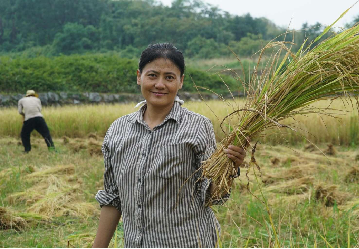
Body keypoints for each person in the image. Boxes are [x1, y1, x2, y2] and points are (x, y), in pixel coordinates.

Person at [93, 43, 246, 248]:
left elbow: (211, 195)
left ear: (180, 81)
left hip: (188, 242)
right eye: (152, 75)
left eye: (169, 77)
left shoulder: (197, 127)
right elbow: (113, 198)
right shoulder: (118, 130)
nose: (160, 84)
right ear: (139, 76)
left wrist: (229, 168)